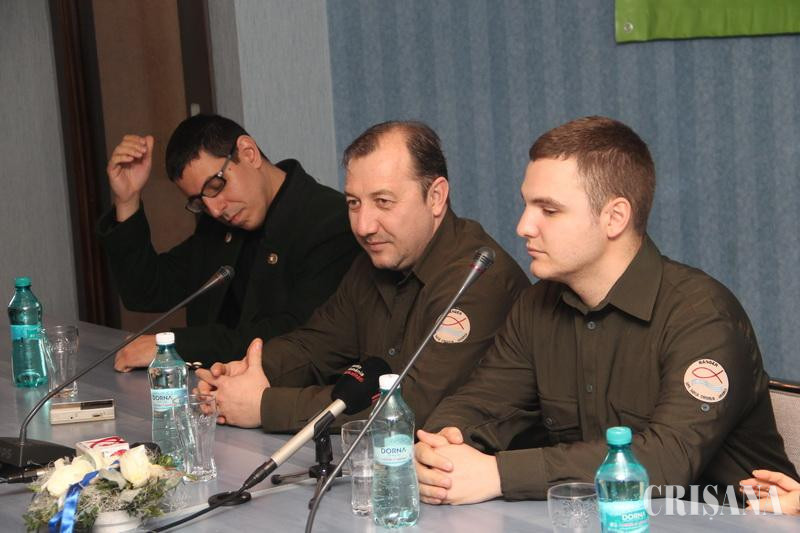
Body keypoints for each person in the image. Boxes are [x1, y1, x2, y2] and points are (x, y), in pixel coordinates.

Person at [415, 116, 798, 505]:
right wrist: (441, 446)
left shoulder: (703, 315)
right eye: (527, 204)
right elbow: (482, 402)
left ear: (614, 217)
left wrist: (499, 474)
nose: (523, 226)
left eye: (549, 210)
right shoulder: (536, 306)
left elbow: (665, 460)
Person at [195, 121, 530, 432]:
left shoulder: (478, 279)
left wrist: (265, 406)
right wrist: (247, 372)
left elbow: (414, 405)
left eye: (383, 202)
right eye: (354, 203)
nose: (364, 226)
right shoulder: (374, 261)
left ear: (435, 197)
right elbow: (317, 344)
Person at [98, 114, 360, 370]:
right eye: (199, 202)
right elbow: (146, 292)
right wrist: (127, 199)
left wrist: (176, 346)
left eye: (216, 186)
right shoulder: (218, 225)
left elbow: (296, 336)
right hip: (209, 390)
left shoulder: (330, 221)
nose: (214, 209)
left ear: (248, 153)